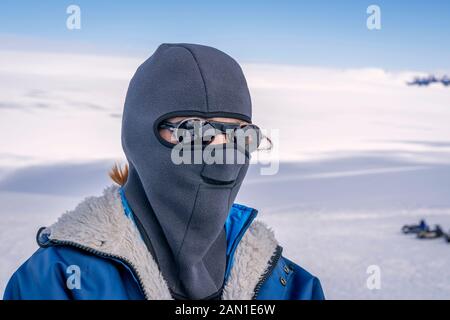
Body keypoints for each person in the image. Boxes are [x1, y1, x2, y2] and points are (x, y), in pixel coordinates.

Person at [4, 43, 324, 300]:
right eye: (195, 132)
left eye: (243, 135)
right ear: (140, 135)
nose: (224, 153)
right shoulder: (58, 282)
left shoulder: (289, 286)